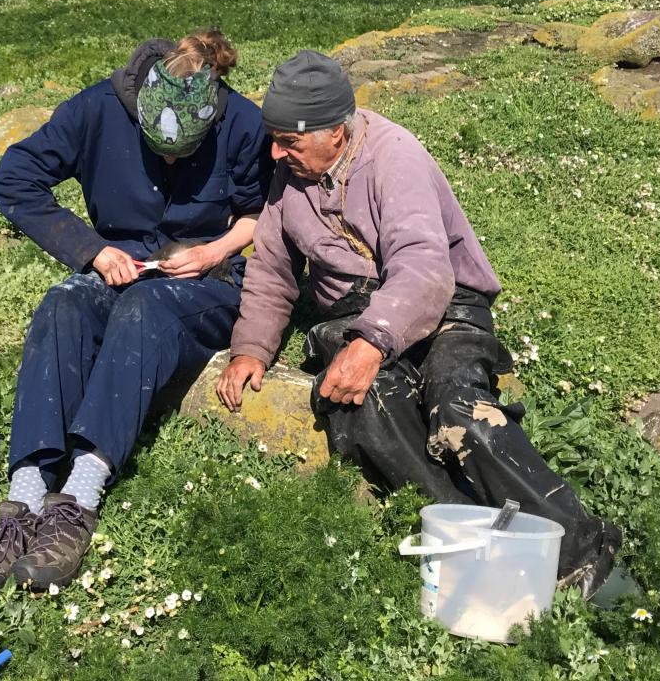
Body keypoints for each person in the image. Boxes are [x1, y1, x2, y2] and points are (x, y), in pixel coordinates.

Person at [217, 50, 622, 596]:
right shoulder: (288, 176)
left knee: (461, 414)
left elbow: (425, 269)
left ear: (336, 132)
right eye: (274, 137)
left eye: (289, 140)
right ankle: (475, 546)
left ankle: (584, 557)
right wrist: (252, 348)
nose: (275, 151)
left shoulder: (393, 157)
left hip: (446, 305)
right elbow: (270, 268)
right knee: (367, 411)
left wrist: (372, 343)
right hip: (356, 313)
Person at [0, 29, 274, 593]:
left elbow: (260, 214)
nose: (174, 159)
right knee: (64, 302)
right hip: (120, 267)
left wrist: (214, 250)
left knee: (145, 309)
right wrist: (93, 251)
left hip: (211, 279)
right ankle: (26, 498)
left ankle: (78, 497)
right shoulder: (97, 108)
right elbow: (14, 179)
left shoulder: (243, 123)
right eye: (161, 148)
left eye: (187, 150)